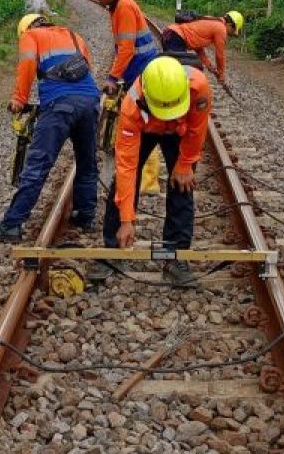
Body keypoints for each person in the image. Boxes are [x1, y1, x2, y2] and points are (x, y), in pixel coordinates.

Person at [91, 56, 213, 287]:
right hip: (144, 127)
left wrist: (185, 164)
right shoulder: (131, 106)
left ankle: (177, 257)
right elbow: (126, 167)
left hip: (180, 130)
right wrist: (127, 220)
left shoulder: (200, 88)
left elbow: (197, 130)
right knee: (123, 182)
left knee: (182, 184)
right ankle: (114, 250)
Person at [0, 14, 101, 241]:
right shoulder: (73, 35)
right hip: (89, 102)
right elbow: (86, 69)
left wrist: (19, 98)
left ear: (25, 28)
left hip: (59, 105)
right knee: (87, 162)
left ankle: (12, 225)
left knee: (37, 165)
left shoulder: (31, 35)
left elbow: (27, 65)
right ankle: (85, 215)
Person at [87, 0, 160, 96]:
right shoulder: (116, 6)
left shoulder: (124, 7)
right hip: (137, 66)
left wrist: (112, 78)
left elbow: (127, 49)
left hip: (141, 67)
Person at [162, 11, 244, 85]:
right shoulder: (221, 29)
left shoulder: (211, 20)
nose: (231, 34)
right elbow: (220, 55)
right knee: (177, 73)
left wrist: (208, 64)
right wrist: (221, 75)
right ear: (230, 25)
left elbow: (198, 47)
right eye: (233, 31)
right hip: (176, 37)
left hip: (171, 34)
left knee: (172, 70)